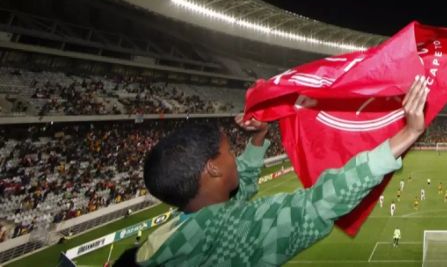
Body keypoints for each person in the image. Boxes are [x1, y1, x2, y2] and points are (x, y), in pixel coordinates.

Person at [131, 75, 430, 266]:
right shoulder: (227, 234)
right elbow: (319, 202)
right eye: (227, 153)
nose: (234, 158)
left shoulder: (177, 229)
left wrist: (259, 137)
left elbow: (239, 188)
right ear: (212, 168)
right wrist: (406, 135)